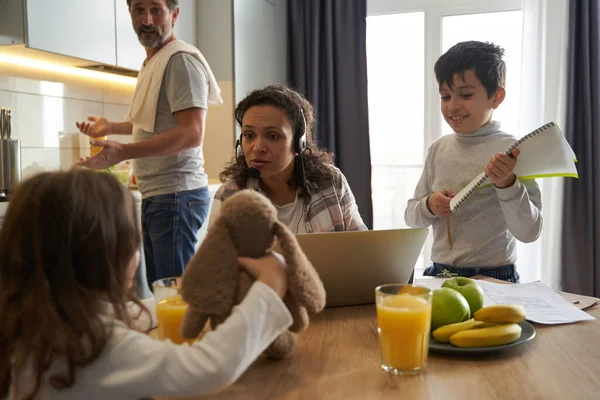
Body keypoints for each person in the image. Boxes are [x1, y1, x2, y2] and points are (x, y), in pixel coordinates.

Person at [0, 169, 291, 399]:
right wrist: (269, 287)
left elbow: (119, 314)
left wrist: (186, 295)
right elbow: (211, 366)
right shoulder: (98, 348)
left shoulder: (32, 325)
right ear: (103, 257)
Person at [75, 0, 223, 284]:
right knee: (163, 291)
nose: (147, 19)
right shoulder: (155, 60)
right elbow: (155, 118)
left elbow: (192, 133)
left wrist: (124, 151)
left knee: (172, 295)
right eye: (139, 9)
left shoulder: (179, 61)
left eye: (156, 9)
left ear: (174, 14)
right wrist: (112, 127)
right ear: (129, 13)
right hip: (162, 195)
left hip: (175, 195)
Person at [404, 41, 543, 282]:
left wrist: (507, 185)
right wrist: (429, 205)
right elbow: (411, 216)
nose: (452, 105)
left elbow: (530, 231)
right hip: (440, 273)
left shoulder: (514, 152)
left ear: (496, 97)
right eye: (445, 96)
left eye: (466, 95)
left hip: (496, 277)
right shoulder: (438, 149)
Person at [210, 84, 367, 233]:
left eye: (272, 136)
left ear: (299, 143)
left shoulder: (331, 182)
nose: (257, 148)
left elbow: (360, 246)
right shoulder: (230, 195)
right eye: (249, 135)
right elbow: (215, 259)